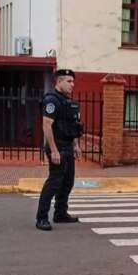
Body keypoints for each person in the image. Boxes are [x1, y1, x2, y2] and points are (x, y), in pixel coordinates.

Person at [36, 69, 83, 231]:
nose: (72, 84)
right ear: (59, 82)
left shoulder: (67, 101)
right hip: (57, 146)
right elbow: (46, 125)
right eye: (69, 81)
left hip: (68, 145)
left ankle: (60, 214)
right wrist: (54, 151)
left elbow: (73, 126)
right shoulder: (51, 100)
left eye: (73, 81)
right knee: (54, 182)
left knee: (68, 182)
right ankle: (41, 218)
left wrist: (76, 145)